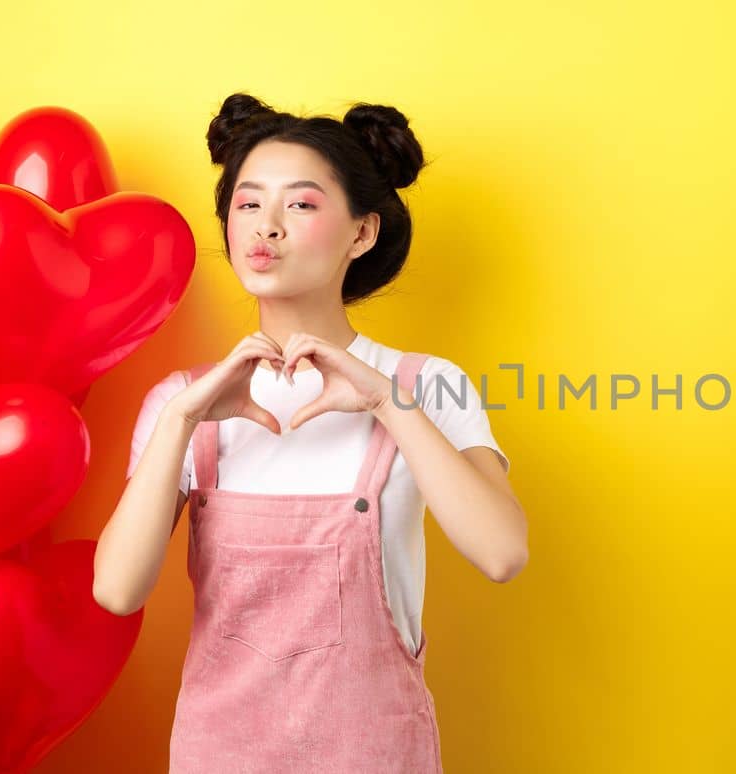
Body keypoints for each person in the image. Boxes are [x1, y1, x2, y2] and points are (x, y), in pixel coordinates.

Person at [93, 92, 528, 773]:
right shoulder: (184, 404)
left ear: (362, 232)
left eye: (299, 204)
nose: (266, 226)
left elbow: (502, 552)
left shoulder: (424, 385)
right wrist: (181, 421)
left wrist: (386, 401)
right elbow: (117, 591)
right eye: (247, 203)